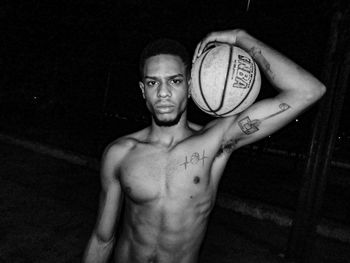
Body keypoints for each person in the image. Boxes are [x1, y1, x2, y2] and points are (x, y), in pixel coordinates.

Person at [83, 29, 326, 263]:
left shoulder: (216, 141)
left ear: (190, 86)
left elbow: (308, 91)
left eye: (174, 81)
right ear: (142, 91)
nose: (164, 93)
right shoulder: (120, 153)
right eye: (153, 83)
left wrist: (239, 37)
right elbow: (102, 239)